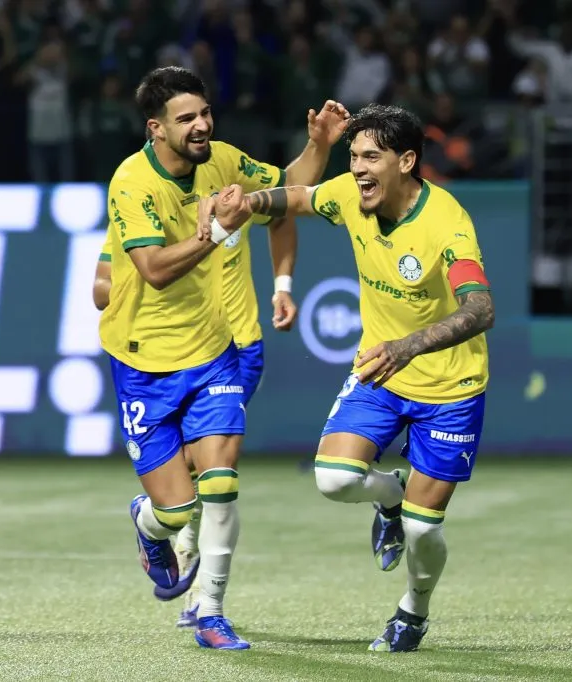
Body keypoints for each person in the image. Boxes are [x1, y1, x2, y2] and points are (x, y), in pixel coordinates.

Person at [203, 104, 495, 652]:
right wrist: (244, 203)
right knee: (334, 480)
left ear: (406, 161)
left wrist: (410, 345)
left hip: (450, 388)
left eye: (371, 157)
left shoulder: (447, 222)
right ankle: (391, 495)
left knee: (424, 530)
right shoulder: (349, 195)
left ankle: (413, 611)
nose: (358, 168)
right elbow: (295, 198)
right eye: (354, 156)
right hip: (380, 373)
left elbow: (480, 309)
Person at [96, 65, 348, 650]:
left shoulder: (224, 160)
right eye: (186, 118)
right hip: (144, 363)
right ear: (156, 128)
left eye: (205, 112)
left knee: (221, 483)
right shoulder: (131, 183)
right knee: (175, 509)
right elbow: (153, 271)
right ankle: (149, 524)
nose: (202, 125)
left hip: (215, 352)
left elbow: (287, 191)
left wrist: (319, 145)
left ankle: (210, 611)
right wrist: (214, 232)